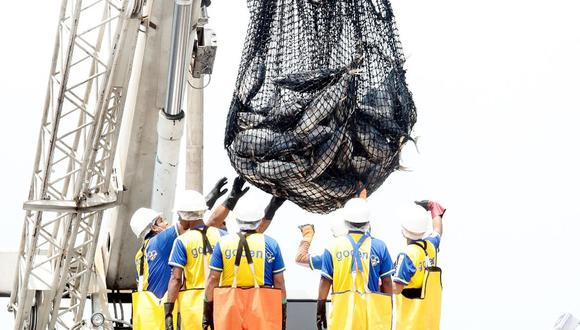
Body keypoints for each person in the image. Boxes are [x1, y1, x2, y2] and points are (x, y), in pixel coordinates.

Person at [131, 178, 228, 299]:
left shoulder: (142, 252)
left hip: (148, 310)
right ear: (154, 228)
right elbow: (190, 217)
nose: (166, 223)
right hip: (162, 308)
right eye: (161, 221)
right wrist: (211, 197)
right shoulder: (161, 241)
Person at [203, 197, 287, 330]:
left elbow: (213, 278)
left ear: (237, 220)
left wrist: (207, 309)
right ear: (260, 220)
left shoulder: (223, 242)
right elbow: (279, 281)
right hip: (262, 306)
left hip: (230, 305)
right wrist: (283, 309)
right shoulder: (271, 244)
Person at [316, 197, 394, 330]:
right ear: (368, 222)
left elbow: (325, 280)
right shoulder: (380, 246)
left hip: (342, 318)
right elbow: (387, 282)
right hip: (371, 318)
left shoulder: (334, 246)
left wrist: (320, 306)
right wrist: (388, 308)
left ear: (345, 222)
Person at [163, 190, 229, 330]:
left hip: (193, 308)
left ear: (186, 217)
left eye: (180, 216)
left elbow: (176, 279)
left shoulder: (182, 241)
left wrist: (168, 311)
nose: (180, 220)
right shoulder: (223, 236)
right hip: (221, 303)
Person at [392, 200, 446, 330]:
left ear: (403, 231)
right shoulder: (430, 246)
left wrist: (377, 283)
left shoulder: (407, 255)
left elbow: (396, 288)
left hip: (411, 325)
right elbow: (437, 230)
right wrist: (434, 209)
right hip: (430, 325)